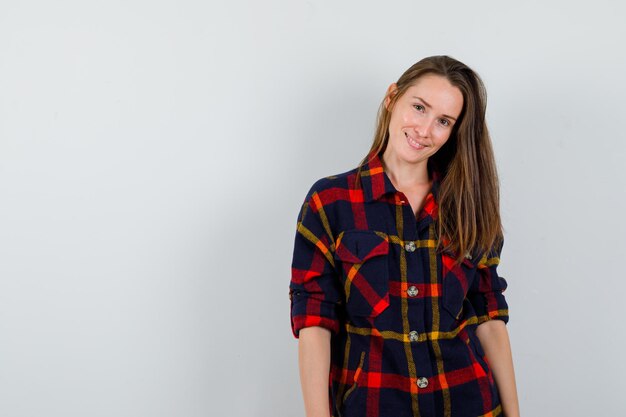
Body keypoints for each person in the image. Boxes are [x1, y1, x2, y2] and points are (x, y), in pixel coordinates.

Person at [288, 55, 520, 417]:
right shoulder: (330, 202)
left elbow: (489, 319)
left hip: (470, 404)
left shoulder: (467, 205)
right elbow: (315, 324)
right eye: (419, 107)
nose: (425, 129)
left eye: (443, 121)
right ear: (392, 97)